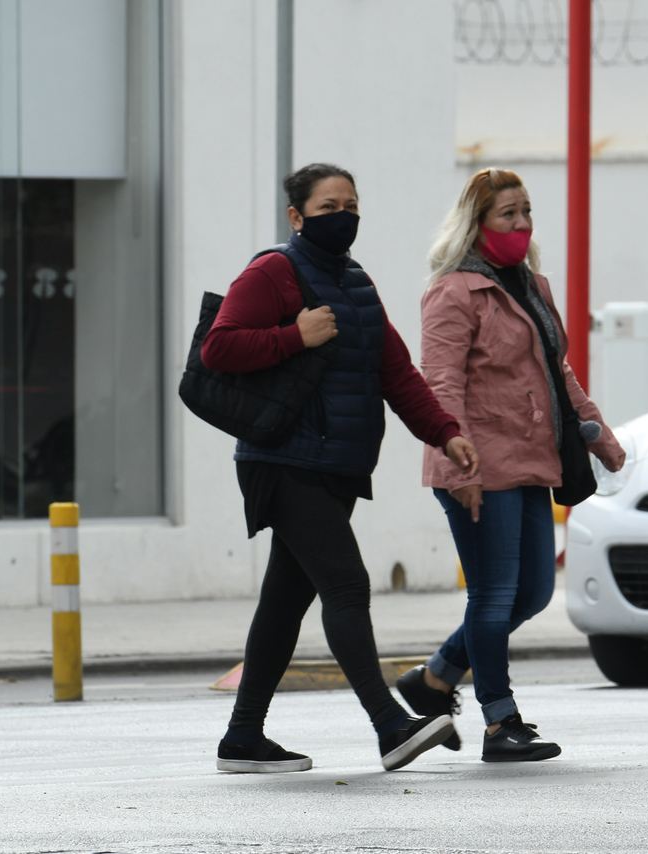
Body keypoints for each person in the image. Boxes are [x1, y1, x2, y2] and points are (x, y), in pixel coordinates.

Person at [201, 163, 481, 773]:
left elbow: (397, 373)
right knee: (347, 586)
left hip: (335, 464)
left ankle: (243, 737)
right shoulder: (273, 271)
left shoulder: (355, 282)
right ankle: (389, 725)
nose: (343, 215)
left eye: (351, 204)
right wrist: (292, 337)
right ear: (296, 217)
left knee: (283, 604)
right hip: (283, 460)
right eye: (328, 206)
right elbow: (217, 347)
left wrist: (445, 433)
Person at [396, 168, 625, 761]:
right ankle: (500, 723)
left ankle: (436, 676)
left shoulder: (530, 285)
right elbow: (441, 383)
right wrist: (460, 463)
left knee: (533, 593)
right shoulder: (453, 291)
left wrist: (599, 433)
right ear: (477, 223)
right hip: (475, 462)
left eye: (526, 212)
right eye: (507, 214)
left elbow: (556, 373)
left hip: (528, 457)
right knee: (495, 596)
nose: (521, 224)